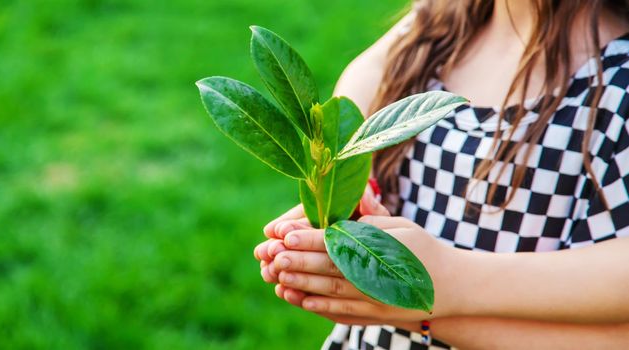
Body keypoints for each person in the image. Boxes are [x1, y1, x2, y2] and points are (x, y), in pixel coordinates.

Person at [255, 0, 629, 348]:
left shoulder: (615, 88)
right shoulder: (444, 18)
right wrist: (356, 184)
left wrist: (446, 284)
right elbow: (361, 85)